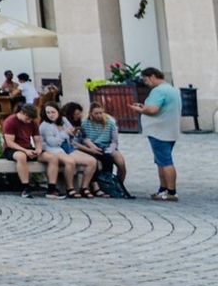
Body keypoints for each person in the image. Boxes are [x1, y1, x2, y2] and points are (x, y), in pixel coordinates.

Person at [125, 65, 182, 202]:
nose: (146, 83)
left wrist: (139, 110)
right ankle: (163, 189)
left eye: (146, 80)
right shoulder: (171, 89)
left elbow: (153, 110)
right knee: (161, 161)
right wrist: (144, 107)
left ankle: (171, 192)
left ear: (152, 77)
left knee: (165, 161)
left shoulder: (159, 91)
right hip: (169, 130)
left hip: (159, 131)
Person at [37, 101, 93, 198]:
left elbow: (71, 130)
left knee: (92, 161)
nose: (51, 115)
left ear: (58, 112)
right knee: (70, 162)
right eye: (48, 112)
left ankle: (84, 187)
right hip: (53, 149)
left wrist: (73, 132)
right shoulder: (45, 126)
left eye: (53, 112)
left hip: (67, 147)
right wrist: (64, 133)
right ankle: (70, 188)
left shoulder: (63, 120)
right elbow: (53, 143)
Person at [69, 103, 129, 190]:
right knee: (101, 160)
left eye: (101, 113)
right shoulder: (85, 124)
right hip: (92, 147)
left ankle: (118, 184)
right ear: (91, 113)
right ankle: (102, 184)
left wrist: (108, 150)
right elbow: (82, 139)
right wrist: (91, 148)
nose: (99, 115)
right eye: (96, 113)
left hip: (108, 146)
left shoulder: (110, 123)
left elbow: (114, 142)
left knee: (121, 163)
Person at [1, 102, 46, 197]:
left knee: (51, 157)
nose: (29, 121)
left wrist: (38, 149)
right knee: (21, 156)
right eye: (27, 119)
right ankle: (25, 187)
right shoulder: (10, 122)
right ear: (22, 113)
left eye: (31, 119)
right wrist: (25, 151)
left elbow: (37, 140)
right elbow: (10, 143)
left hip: (28, 148)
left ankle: (52, 187)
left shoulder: (32, 123)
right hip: (11, 149)